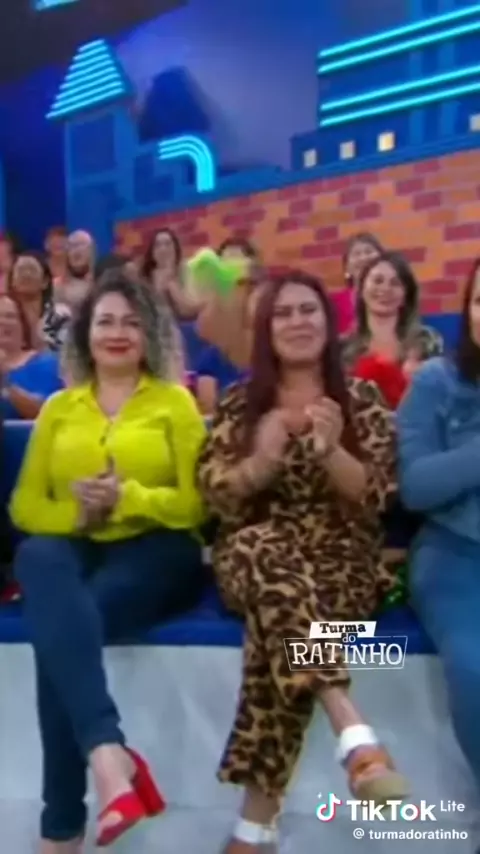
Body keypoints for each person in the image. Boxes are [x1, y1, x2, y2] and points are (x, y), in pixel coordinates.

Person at [197, 270, 408, 853]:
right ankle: (349, 724)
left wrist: (332, 451)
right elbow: (213, 496)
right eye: (284, 313)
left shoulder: (361, 399)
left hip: (340, 565)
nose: (297, 322)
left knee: (279, 626)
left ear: (328, 322)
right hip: (253, 557)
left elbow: (378, 499)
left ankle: (254, 828)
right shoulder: (241, 403)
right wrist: (260, 464)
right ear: (267, 330)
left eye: (308, 310)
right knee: (263, 548)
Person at [10, 270, 207, 853]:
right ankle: (106, 752)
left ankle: (61, 826)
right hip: (77, 544)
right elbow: (25, 506)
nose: (117, 333)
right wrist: (79, 515)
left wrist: (130, 498)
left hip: (158, 549)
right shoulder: (58, 408)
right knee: (38, 554)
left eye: (130, 322)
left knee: (65, 627)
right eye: (105, 322)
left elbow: (197, 504)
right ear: (85, 335)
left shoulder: (174, 403)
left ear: (149, 335)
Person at [397, 257, 480, 807]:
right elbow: (417, 487)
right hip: (455, 558)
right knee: (476, 670)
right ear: (468, 311)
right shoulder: (437, 382)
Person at [343, 251, 444, 406]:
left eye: (395, 283)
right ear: (361, 289)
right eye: (378, 281)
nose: (385, 289)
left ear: (406, 295)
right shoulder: (343, 348)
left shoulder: (427, 341)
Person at [0, 293, 63, 418]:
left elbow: (48, 412)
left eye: (10, 316)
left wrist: (5, 385)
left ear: (23, 325)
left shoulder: (46, 364)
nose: (3, 322)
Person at [9, 251, 70, 351]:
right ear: (12, 281)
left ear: (45, 282)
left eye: (32, 270)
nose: (26, 274)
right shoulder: (4, 316)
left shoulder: (59, 315)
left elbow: (64, 354)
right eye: (21, 270)